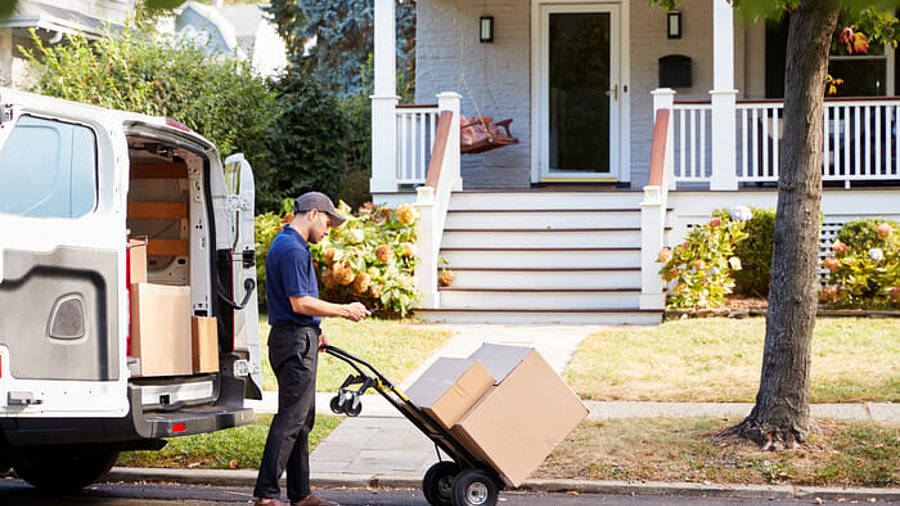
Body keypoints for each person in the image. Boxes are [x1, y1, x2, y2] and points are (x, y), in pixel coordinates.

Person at [253, 192, 369, 506]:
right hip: (293, 342)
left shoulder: (289, 244)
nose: (328, 231)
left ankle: (300, 494)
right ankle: (265, 496)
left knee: (302, 420)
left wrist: (316, 330)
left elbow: (299, 304)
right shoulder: (291, 248)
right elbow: (298, 302)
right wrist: (345, 310)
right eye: (328, 224)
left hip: (297, 337)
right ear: (313, 213)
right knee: (291, 420)